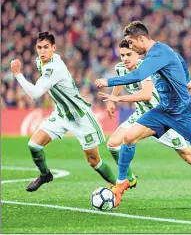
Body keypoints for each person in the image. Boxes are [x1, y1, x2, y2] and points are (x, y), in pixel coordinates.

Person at [95, 21, 191, 210]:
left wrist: (117, 98)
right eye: (123, 55)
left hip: (163, 112)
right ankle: (128, 179)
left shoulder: (148, 66)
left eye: (129, 53)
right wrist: (113, 99)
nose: (126, 58)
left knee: (190, 156)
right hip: (143, 113)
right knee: (114, 143)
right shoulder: (121, 68)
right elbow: (122, 80)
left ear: (137, 51)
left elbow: (147, 91)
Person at [10, 31, 116, 192]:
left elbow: (35, 93)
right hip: (61, 114)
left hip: (80, 117)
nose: (42, 50)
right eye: (39, 47)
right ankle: (45, 175)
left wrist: (17, 74)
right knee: (34, 145)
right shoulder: (40, 62)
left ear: (54, 48)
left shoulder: (55, 67)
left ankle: (117, 185)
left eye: (46, 47)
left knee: (94, 162)